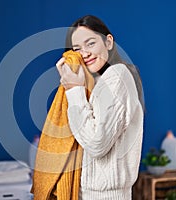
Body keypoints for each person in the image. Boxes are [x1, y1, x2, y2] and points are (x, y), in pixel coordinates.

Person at [55, 15, 145, 199]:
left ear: (108, 42)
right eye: (77, 49)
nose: (85, 53)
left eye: (90, 43)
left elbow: (97, 144)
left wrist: (74, 90)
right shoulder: (95, 83)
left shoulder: (117, 75)